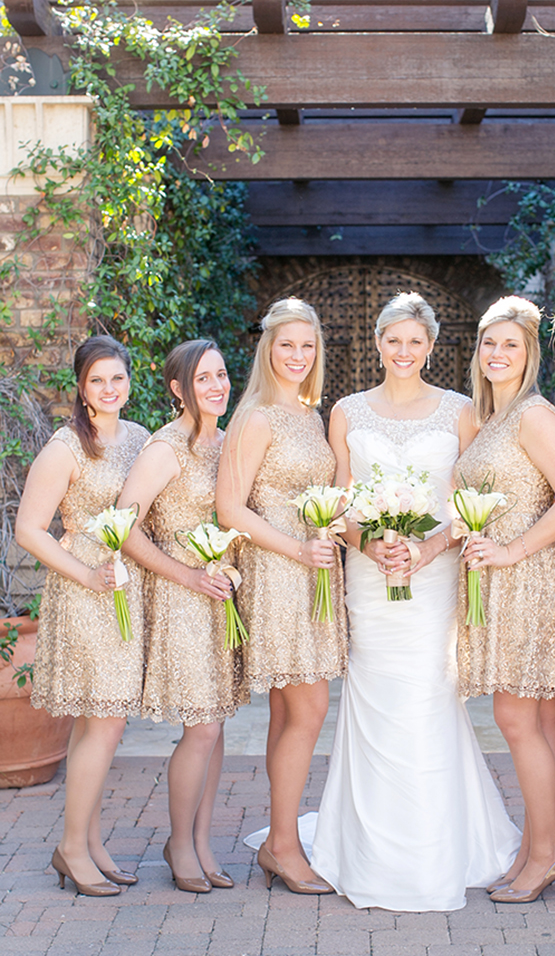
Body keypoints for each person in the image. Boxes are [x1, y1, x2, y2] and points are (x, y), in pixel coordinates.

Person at [311, 291, 521, 912]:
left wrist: (425, 550)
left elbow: (468, 502)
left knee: (429, 696)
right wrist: (369, 545)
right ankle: (366, 846)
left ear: (432, 347)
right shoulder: (347, 411)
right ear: (377, 343)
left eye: (415, 341)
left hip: (432, 577)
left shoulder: (461, 411)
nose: (403, 351)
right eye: (392, 340)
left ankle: (436, 848)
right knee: (374, 698)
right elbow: (339, 500)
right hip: (369, 577)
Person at [456, 296, 555, 904]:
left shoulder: (535, 415)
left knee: (515, 717)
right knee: (534, 718)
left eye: (511, 344)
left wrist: (512, 551)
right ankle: (544, 848)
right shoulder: (494, 418)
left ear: (531, 354)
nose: (497, 354)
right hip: (497, 584)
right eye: (489, 343)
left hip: (530, 582)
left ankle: (544, 855)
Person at [215, 297, 347, 896]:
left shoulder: (307, 413)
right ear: (267, 348)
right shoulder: (257, 416)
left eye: (307, 346)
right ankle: (285, 846)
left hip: (314, 567)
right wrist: (297, 550)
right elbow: (231, 507)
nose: (297, 356)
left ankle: (279, 837)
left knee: (290, 710)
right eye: (286, 344)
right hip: (277, 570)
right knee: (310, 708)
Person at [16, 335, 148, 896]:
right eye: (98, 380)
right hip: (85, 588)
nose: (109, 389)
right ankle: (72, 847)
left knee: (99, 721)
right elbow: (29, 529)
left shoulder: (141, 439)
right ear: (81, 388)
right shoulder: (67, 447)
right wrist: (86, 573)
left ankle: (88, 844)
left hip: (126, 586)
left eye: (117, 378)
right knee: (107, 717)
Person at [118, 339, 246, 893]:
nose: (217, 386)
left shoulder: (229, 442)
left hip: (224, 599)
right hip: (184, 597)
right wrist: (187, 575)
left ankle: (201, 841)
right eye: (203, 379)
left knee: (216, 728)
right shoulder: (165, 449)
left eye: (221, 375)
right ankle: (178, 842)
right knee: (203, 727)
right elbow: (122, 527)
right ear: (178, 389)